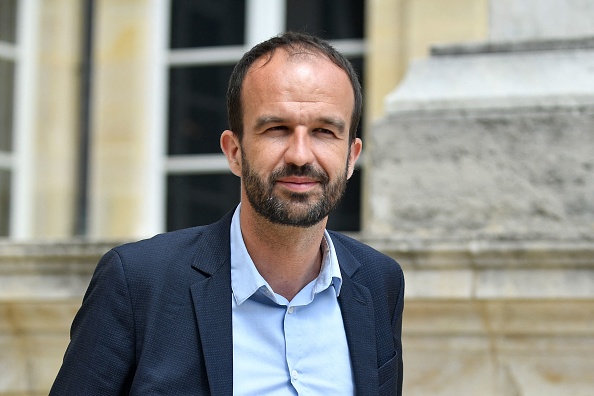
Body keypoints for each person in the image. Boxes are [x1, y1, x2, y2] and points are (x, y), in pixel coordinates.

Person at [50, 31, 404, 396]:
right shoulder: (138, 282)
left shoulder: (380, 283)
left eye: (324, 131)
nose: (300, 155)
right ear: (234, 151)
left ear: (351, 157)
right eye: (277, 129)